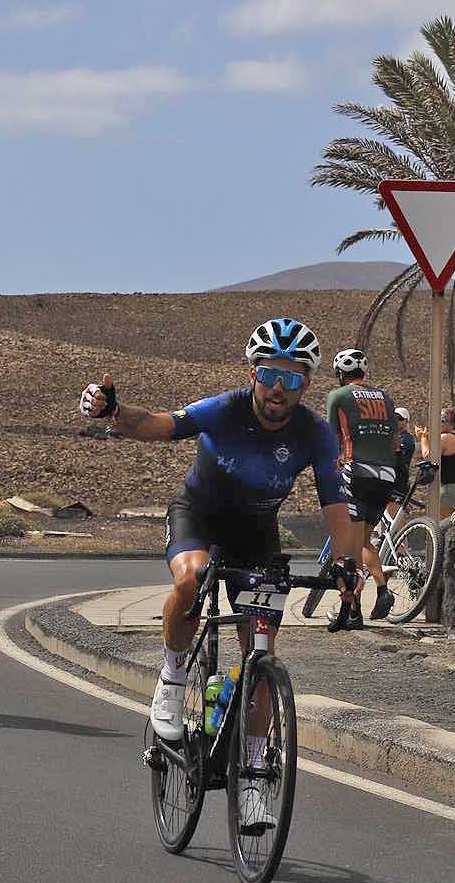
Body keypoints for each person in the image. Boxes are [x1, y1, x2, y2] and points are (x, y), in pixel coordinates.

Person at [77, 317, 357, 752]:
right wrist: (113, 412)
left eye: (291, 377)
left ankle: (255, 770)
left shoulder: (315, 433)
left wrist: (345, 565)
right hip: (198, 516)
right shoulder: (225, 409)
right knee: (192, 577)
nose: (277, 387)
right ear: (252, 375)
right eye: (268, 374)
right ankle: (172, 676)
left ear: (306, 385)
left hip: (256, 534)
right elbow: (158, 423)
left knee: (261, 656)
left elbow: (336, 505)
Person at [325, 349, 400, 630]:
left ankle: (358, 609)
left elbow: (330, 437)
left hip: (356, 471)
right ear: (364, 373)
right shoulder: (386, 398)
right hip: (386, 475)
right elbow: (395, 443)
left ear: (341, 374)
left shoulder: (339, 396)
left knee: (350, 546)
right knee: (365, 540)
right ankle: (376, 591)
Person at [416, 406, 455, 519]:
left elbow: (428, 456)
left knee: (443, 526)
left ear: (449, 424)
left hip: (451, 487)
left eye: (440, 421)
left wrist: (423, 438)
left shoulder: (445, 437)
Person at [387, 406, 415, 523]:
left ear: (406, 422)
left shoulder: (407, 439)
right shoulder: (392, 437)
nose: (396, 420)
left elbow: (399, 461)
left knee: (394, 526)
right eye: (394, 418)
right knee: (385, 527)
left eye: (400, 419)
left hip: (398, 485)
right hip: (388, 482)